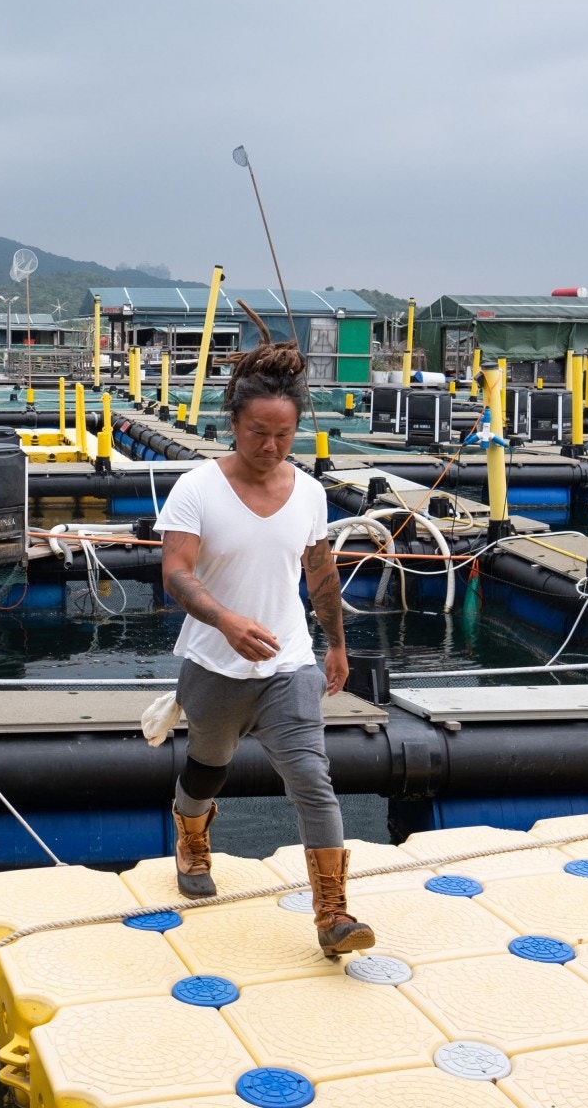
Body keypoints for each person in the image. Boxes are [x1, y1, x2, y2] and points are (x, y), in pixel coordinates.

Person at [153, 326, 374, 957]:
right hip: (215, 661)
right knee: (208, 766)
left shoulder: (309, 492)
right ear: (233, 423)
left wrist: (335, 644)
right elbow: (176, 572)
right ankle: (192, 837)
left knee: (311, 778)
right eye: (258, 433)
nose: (271, 447)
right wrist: (225, 620)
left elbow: (320, 572)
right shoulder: (198, 488)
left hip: (289, 662)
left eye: (283, 435)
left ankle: (333, 914)